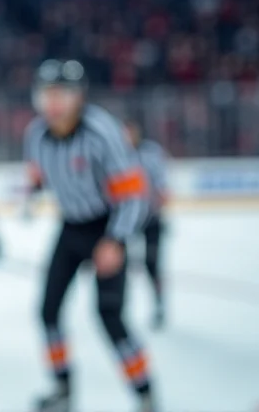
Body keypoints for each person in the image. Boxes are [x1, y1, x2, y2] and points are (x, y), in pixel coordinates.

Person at [24, 60, 155, 412]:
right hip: (70, 227)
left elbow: (134, 195)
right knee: (48, 312)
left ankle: (144, 392)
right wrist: (31, 191)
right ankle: (63, 388)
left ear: (79, 96)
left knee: (110, 317)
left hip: (107, 226)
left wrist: (116, 240)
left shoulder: (102, 132)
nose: (54, 102)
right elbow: (39, 172)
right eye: (47, 93)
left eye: (62, 93)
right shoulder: (36, 134)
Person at [124, 120, 170, 329]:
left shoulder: (151, 153)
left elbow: (162, 187)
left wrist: (158, 209)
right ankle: (118, 305)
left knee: (152, 264)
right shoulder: (115, 154)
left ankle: (159, 304)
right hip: (126, 220)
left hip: (150, 219)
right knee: (119, 264)